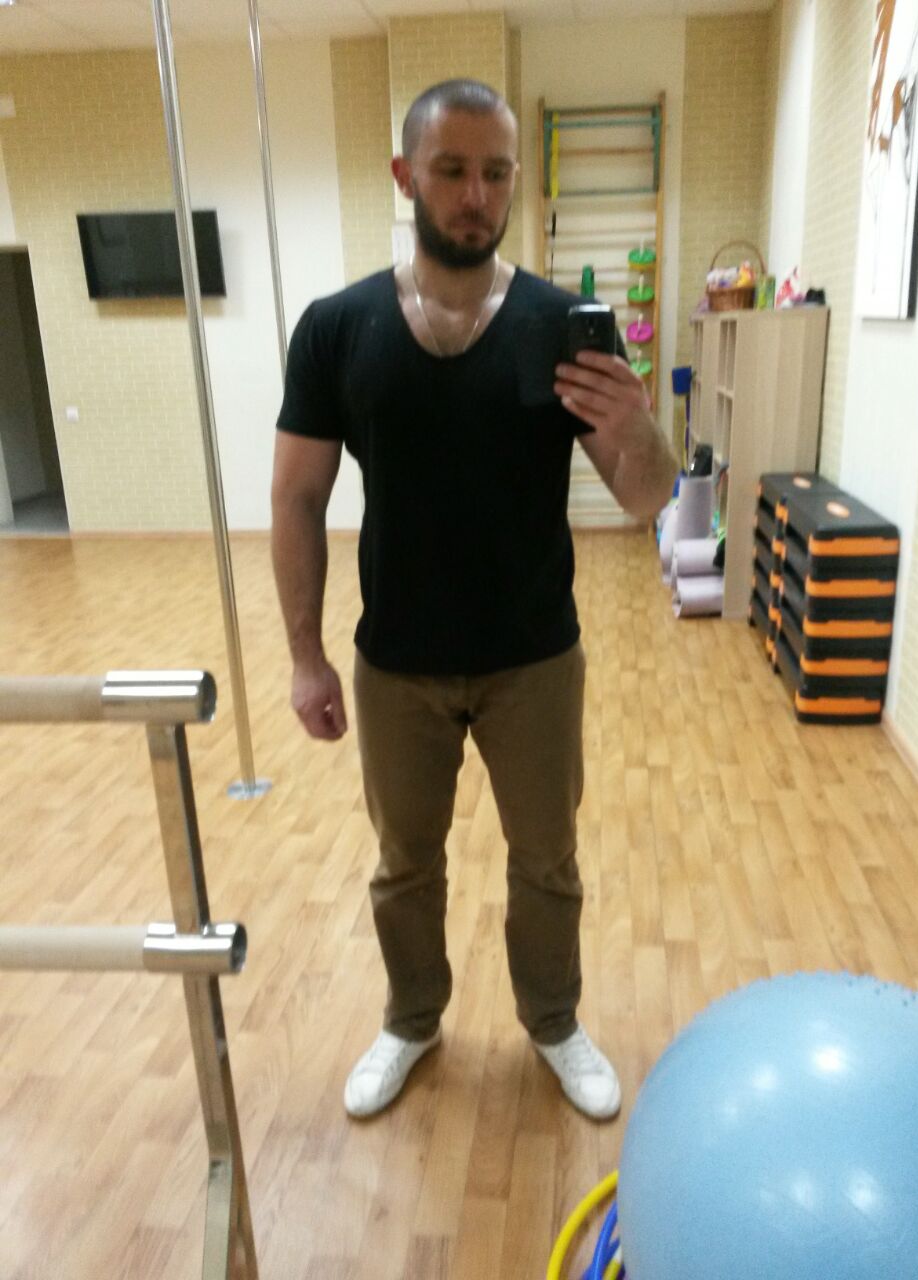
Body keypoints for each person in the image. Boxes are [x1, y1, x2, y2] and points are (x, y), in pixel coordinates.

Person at [271, 79, 677, 1121]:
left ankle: (554, 1020)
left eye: (496, 173)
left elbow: (645, 498)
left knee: (547, 860)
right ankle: (411, 1019)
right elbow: (297, 495)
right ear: (405, 176)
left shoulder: (557, 325)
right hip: (395, 658)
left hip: (533, 656)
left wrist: (635, 423)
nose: (475, 194)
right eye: (451, 170)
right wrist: (306, 655)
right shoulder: (337, 328)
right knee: (405, 864)